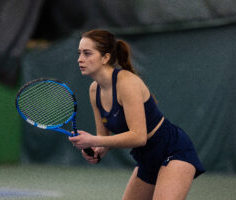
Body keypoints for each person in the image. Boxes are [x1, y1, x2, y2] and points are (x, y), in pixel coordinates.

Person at [69, 29, 205, 200]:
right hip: (145, 157)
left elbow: (139, 137)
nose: (80, 59)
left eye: (87, 53)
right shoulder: (94, 90)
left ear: (105, 57)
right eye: (80, 53)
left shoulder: (127, 83)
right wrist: (96, 150)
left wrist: (93, 140)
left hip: (172, 149)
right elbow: (103, 137)